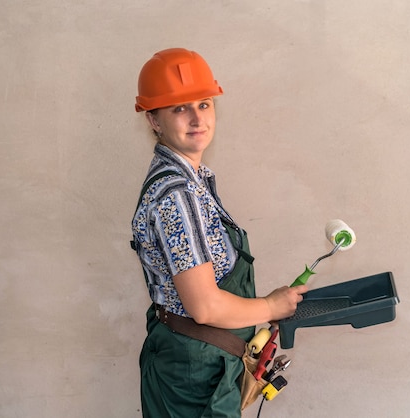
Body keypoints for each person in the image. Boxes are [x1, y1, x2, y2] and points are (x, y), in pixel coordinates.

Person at [130, 48, 308, 417]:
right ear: (154, 119)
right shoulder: (176, 195)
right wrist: (270, 306)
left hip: (209, 364)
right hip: (193, 374)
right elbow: (205, 305)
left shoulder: (194, 181)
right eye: (180, 108)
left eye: (204, 104)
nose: (197, 118)